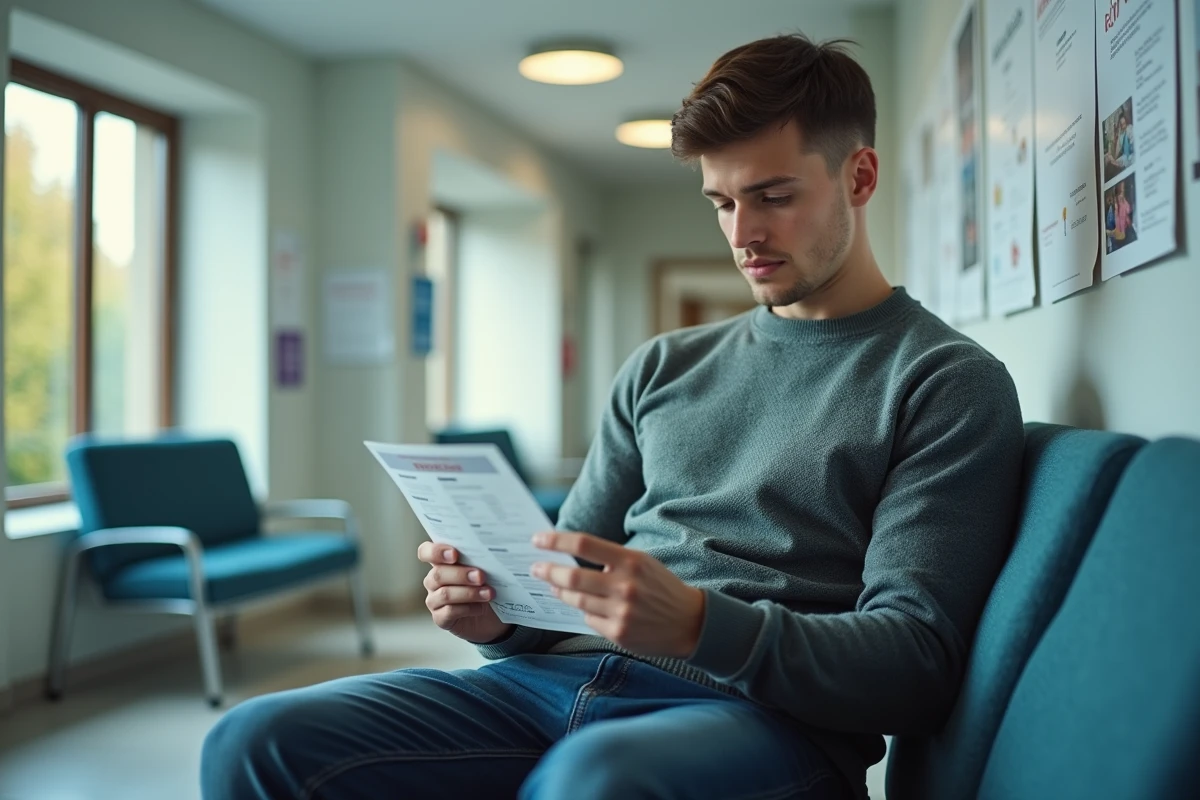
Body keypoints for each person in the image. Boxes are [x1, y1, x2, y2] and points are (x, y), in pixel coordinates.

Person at [201, 34, 1024, 800]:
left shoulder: (944, 382)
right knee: (252, 739)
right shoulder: (663, 367)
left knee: (593, 780)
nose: (743, 234)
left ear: (860, 177)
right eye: (721, 202)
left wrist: (700, 623)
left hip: (762, 720)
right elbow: (557, 589)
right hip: (548, 684)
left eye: (773, 196)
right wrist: (498, 621)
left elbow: (915, 663)